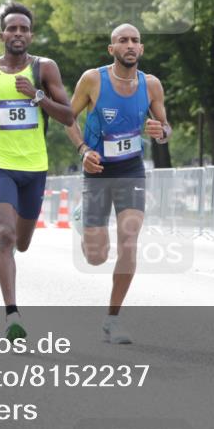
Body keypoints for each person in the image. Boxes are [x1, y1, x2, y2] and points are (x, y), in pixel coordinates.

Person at [0, 2, 73, 341]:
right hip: (0, 166)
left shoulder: (45, 68)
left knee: (22, 243)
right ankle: (12, 314)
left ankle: (15, 253)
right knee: (4, 236)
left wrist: (38, 96)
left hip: (35, 169)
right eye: (12, 29)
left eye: (24, 29)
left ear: (31, 35)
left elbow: (68, 115)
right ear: (2, 35)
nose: (18, 34)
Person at [65, 23, 171, 344]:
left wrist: (161, 132)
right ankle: (83, 219)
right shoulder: (93, 79)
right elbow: (68, 118)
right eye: (122, 40)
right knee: (96, 256)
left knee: (129, 239)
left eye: (135, 41)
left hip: (131, 170)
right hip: (97, 171)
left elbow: (165, 127)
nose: (129, 45)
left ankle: (113, 319)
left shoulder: (151, 85)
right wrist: (83, 150)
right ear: (112, 49)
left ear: (141, 49)